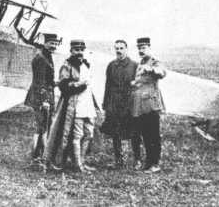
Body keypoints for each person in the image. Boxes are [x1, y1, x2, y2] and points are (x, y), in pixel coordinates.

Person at [44, 39, 101, 173]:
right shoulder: (67, 65)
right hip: (74, 104)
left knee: (89, 134)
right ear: (71, 51)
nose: (79, 52)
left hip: (87, 104)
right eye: (76, 50)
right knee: (77, 135)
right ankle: (78, 165)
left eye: (81, 50)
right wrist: (78, 85)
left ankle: (82, 160)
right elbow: (63, 85)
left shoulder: (86, 64)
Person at [100, 39, 140, 169]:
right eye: (116, 48)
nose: (119, 50)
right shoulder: (111, 65)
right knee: (115, 132)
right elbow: (108, 85)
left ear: (126, 49)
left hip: (129, 103)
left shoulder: (134, 65)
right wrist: (106, 103)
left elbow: (138, 85)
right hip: (114, 103)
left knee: (134, 132)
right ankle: (119, 160)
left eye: (121, 48)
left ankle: (137, 159)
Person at [130, 37, 166, 173]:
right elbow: (140, 80)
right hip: (140, 106)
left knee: (153, 135)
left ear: (149, 48)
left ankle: (155, 163)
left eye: (143, 48)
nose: (141, 50)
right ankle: (149, 162)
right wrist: (134, 83)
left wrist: (151, 69)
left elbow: (162, 72)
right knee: (145, 135)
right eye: (139, 48)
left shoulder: (154, 62)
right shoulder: (141, 63)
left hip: (151, 104)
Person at [24, 33, 59, 167]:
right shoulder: (41, 58)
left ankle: (40, 156)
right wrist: (44, 100)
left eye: (55, 44)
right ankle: (37, 157)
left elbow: (47, 80)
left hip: (45, 95)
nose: (53, 46)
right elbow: (39, 82)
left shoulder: (47, 56)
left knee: (44, 126)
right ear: (45, 43)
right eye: (51, 43)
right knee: (41, 127)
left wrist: (57, 83)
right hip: (40, 98)